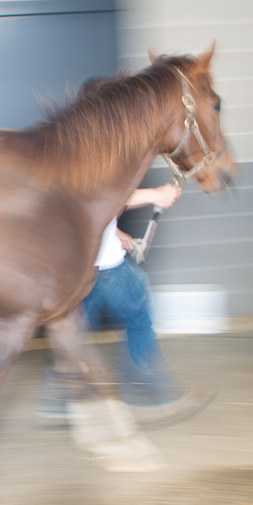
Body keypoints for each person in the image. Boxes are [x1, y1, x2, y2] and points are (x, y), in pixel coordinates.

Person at [37, 183, 215, 427]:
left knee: (75, 329)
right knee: (138, 315)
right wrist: (155, 195)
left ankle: (60, 400)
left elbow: (83, 202)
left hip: (81, 263)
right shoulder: (93, 147)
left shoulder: (71, 147)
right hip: (104, 263)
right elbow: (99, 192)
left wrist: (113, 232)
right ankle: (145, 391)